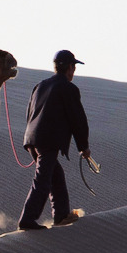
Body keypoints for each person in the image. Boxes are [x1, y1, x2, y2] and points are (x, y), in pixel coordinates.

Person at [18, 48, 92, 230]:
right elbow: (78, 119)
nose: (74, 71)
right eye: (73, 67)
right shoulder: (68, 88)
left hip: (32, 140)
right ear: (69, 68)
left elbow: (30, 112)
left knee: (55, 174)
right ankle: (27, 220)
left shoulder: (40, 85)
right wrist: (84, 147)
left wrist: (31, 141)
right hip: (47, 141)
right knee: (43, 179)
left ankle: (61, 215)